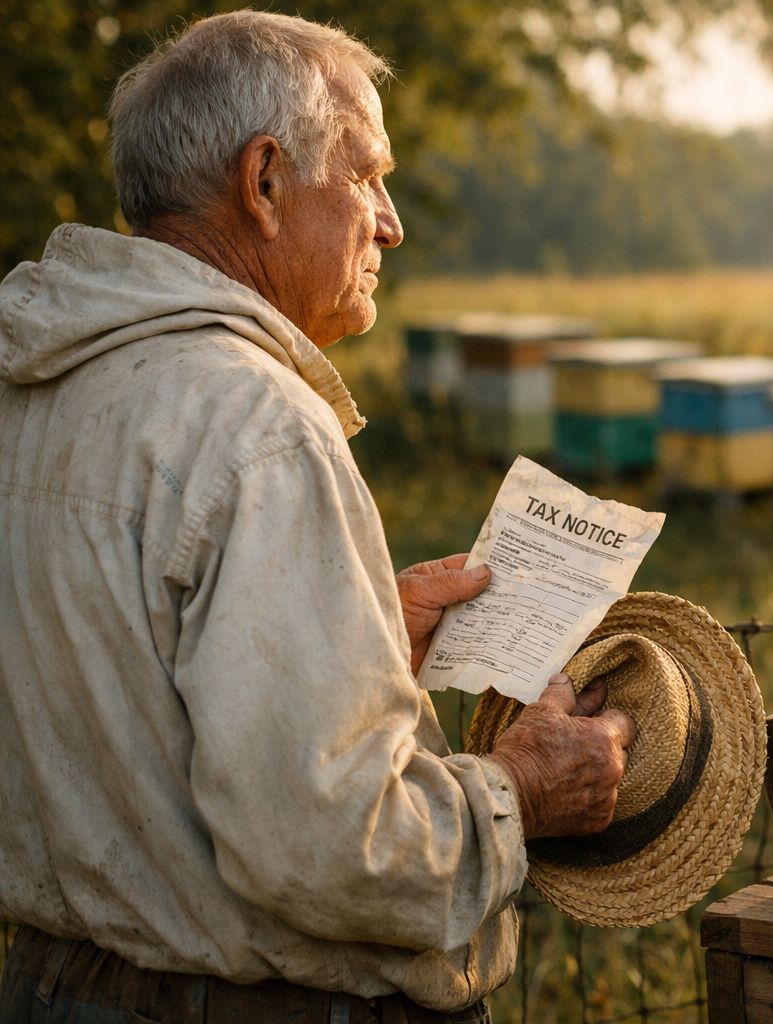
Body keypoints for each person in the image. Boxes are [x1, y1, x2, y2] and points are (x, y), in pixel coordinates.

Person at [0, 11, 635, 1022]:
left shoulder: (33, 385)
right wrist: (519, 790)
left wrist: (357, 627)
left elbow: (124, 674)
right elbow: (333, 848)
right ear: (264, 183)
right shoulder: (259, 425)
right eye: (368, 175)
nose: (390, 221)